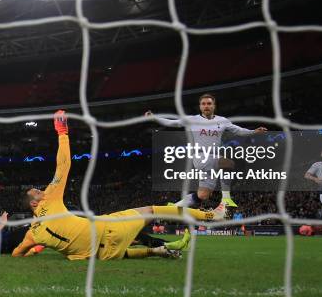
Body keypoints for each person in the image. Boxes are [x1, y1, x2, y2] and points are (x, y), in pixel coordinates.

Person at [12, 110, 225, 260]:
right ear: (34, 204)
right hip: (108, 230)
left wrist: (34, 249)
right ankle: (211, 216)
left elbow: (16, 253)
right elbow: (63, 165)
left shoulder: (32, 233)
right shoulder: (50, 199)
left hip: (100, 254)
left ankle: (158, 251)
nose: (42, 190)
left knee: (116, 246)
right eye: (37, 192)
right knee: (152, 210)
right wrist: (62, 133)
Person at [146, 94, 267, 207]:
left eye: (209, 103)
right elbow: (172, 123)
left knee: (203, 195)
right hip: (201, 157)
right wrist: (154, 118)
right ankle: (225, 198)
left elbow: (238, 130)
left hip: (213, 160)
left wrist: (254, 132)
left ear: (214, 106)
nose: (206, 106)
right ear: (200, 106)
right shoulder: (193, 119)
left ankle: (174, 206)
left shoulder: (222, 121)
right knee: (229, 163)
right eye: (203, 104)